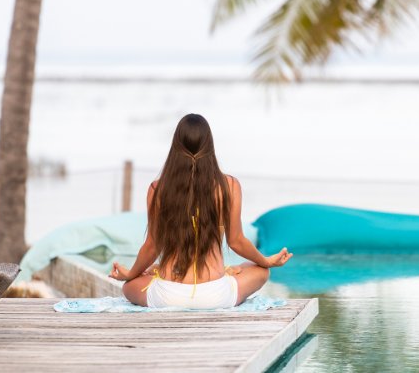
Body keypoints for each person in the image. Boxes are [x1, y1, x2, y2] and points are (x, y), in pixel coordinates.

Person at [109, 113, 292, 309]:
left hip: (168, 295)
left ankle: (163, 272)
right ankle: (226, 271)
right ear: (209, 145)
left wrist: (131, 274)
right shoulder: (228, 186)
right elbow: (237, 240)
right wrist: (265, 261)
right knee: (261, 271)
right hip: (216, 295)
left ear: (176, 146)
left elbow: (152, 246)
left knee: (129, 286)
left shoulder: (158, 189)